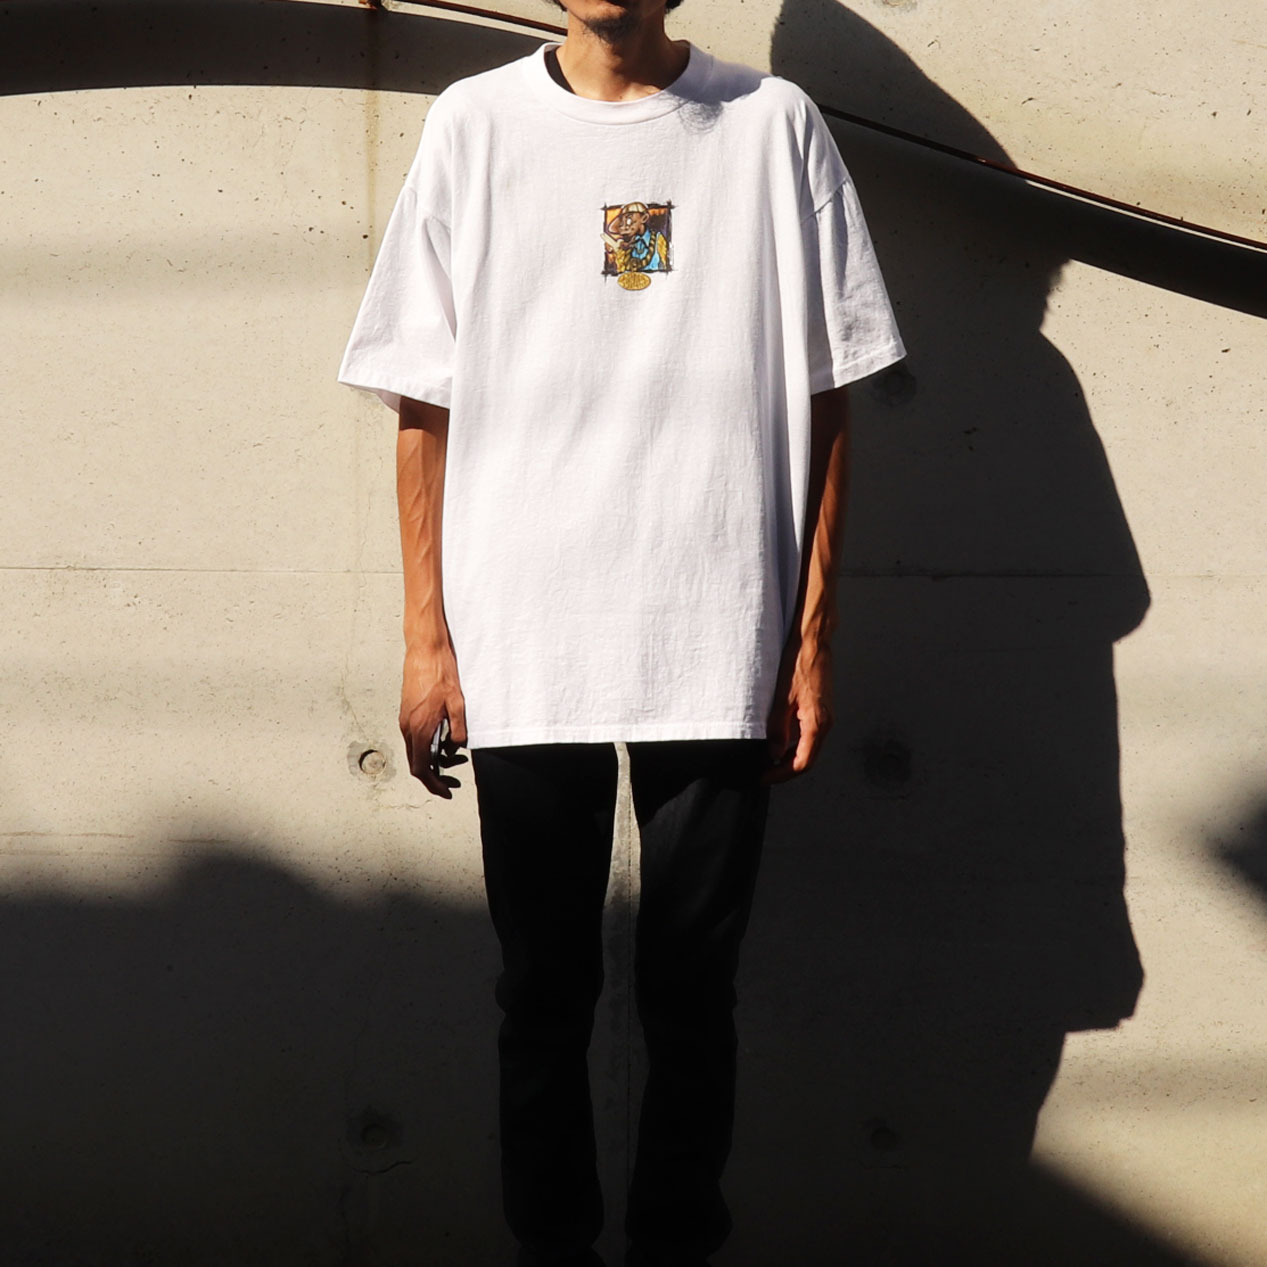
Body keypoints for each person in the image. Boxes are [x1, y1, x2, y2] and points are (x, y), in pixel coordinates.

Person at [337, 0, 905, 1261]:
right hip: (524, 626)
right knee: (542, 990)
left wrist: (809, 641)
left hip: (719, 623)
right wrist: (428, 640)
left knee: (693, 991)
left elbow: (829, 395)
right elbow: (419, 398)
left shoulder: (772, 126)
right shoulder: (477, 125)